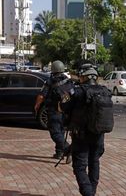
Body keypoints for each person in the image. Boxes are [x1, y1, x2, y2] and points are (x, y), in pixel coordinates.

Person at [60, 61, 105, 196]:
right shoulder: (104, 91)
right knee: (94, 163)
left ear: (83, 76)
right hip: (98, 135)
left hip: (81, 135)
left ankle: (88, 193)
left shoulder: (77, 92)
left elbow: (62, 107)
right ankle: (92, 192)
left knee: (79, 167)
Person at [34, 60, 72, 160]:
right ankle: (59, 153)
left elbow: (42, 96)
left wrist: (37, 105)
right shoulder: (68, 80)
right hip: (66, 111)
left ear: (53, 69)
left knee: (55, 133)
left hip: (54, 111)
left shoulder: (50, 81)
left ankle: (68, 149)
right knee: (61, 132)